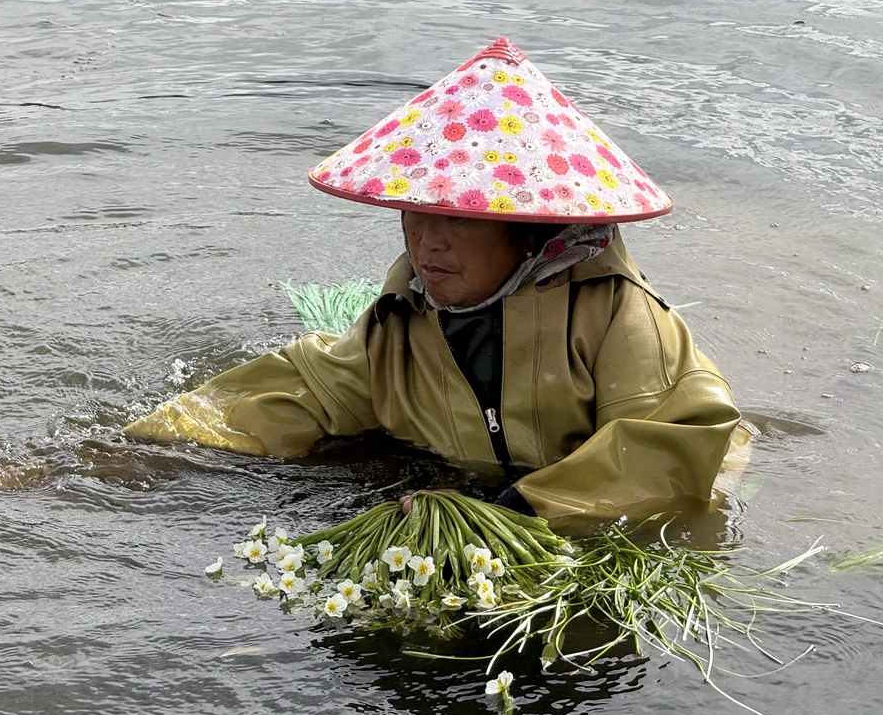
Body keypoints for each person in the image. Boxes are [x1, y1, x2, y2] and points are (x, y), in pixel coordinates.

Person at [122, 38, 749, 530]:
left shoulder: (615, 314)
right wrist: (149, 447)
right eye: (416, 214)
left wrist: (517, 512)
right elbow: (311, 390)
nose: (427, 243)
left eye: (459, 219)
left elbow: (674, 445)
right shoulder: (402, 318)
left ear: (529, 230)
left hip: (555, 510)